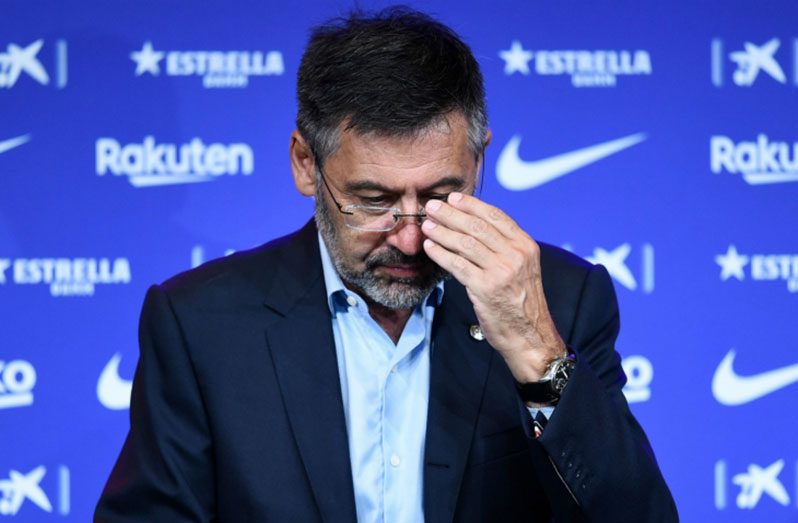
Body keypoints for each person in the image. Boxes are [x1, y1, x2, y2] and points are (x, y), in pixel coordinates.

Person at [95, 7, 677, 522]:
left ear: (480, 161)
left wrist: (537, 353)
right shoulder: (200, 324)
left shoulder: (563, 300)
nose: (410, 237)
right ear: (305, 164)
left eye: (442, 196)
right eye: (373, 201)